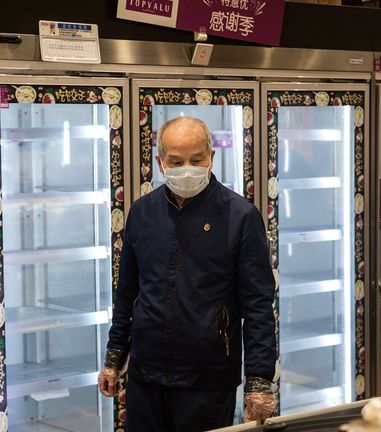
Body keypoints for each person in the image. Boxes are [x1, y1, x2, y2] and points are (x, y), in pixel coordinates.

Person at [98, 116, 278, 431]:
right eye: (176, 160)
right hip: (146, 372)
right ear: (160, 162)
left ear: (212, 158)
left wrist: (259, 380)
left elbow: (258, 304)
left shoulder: (240, 217)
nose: (187, 168)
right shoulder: (143, 212)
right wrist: (114, 357)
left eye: (197, 160)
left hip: (207, 376)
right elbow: (127, 293)